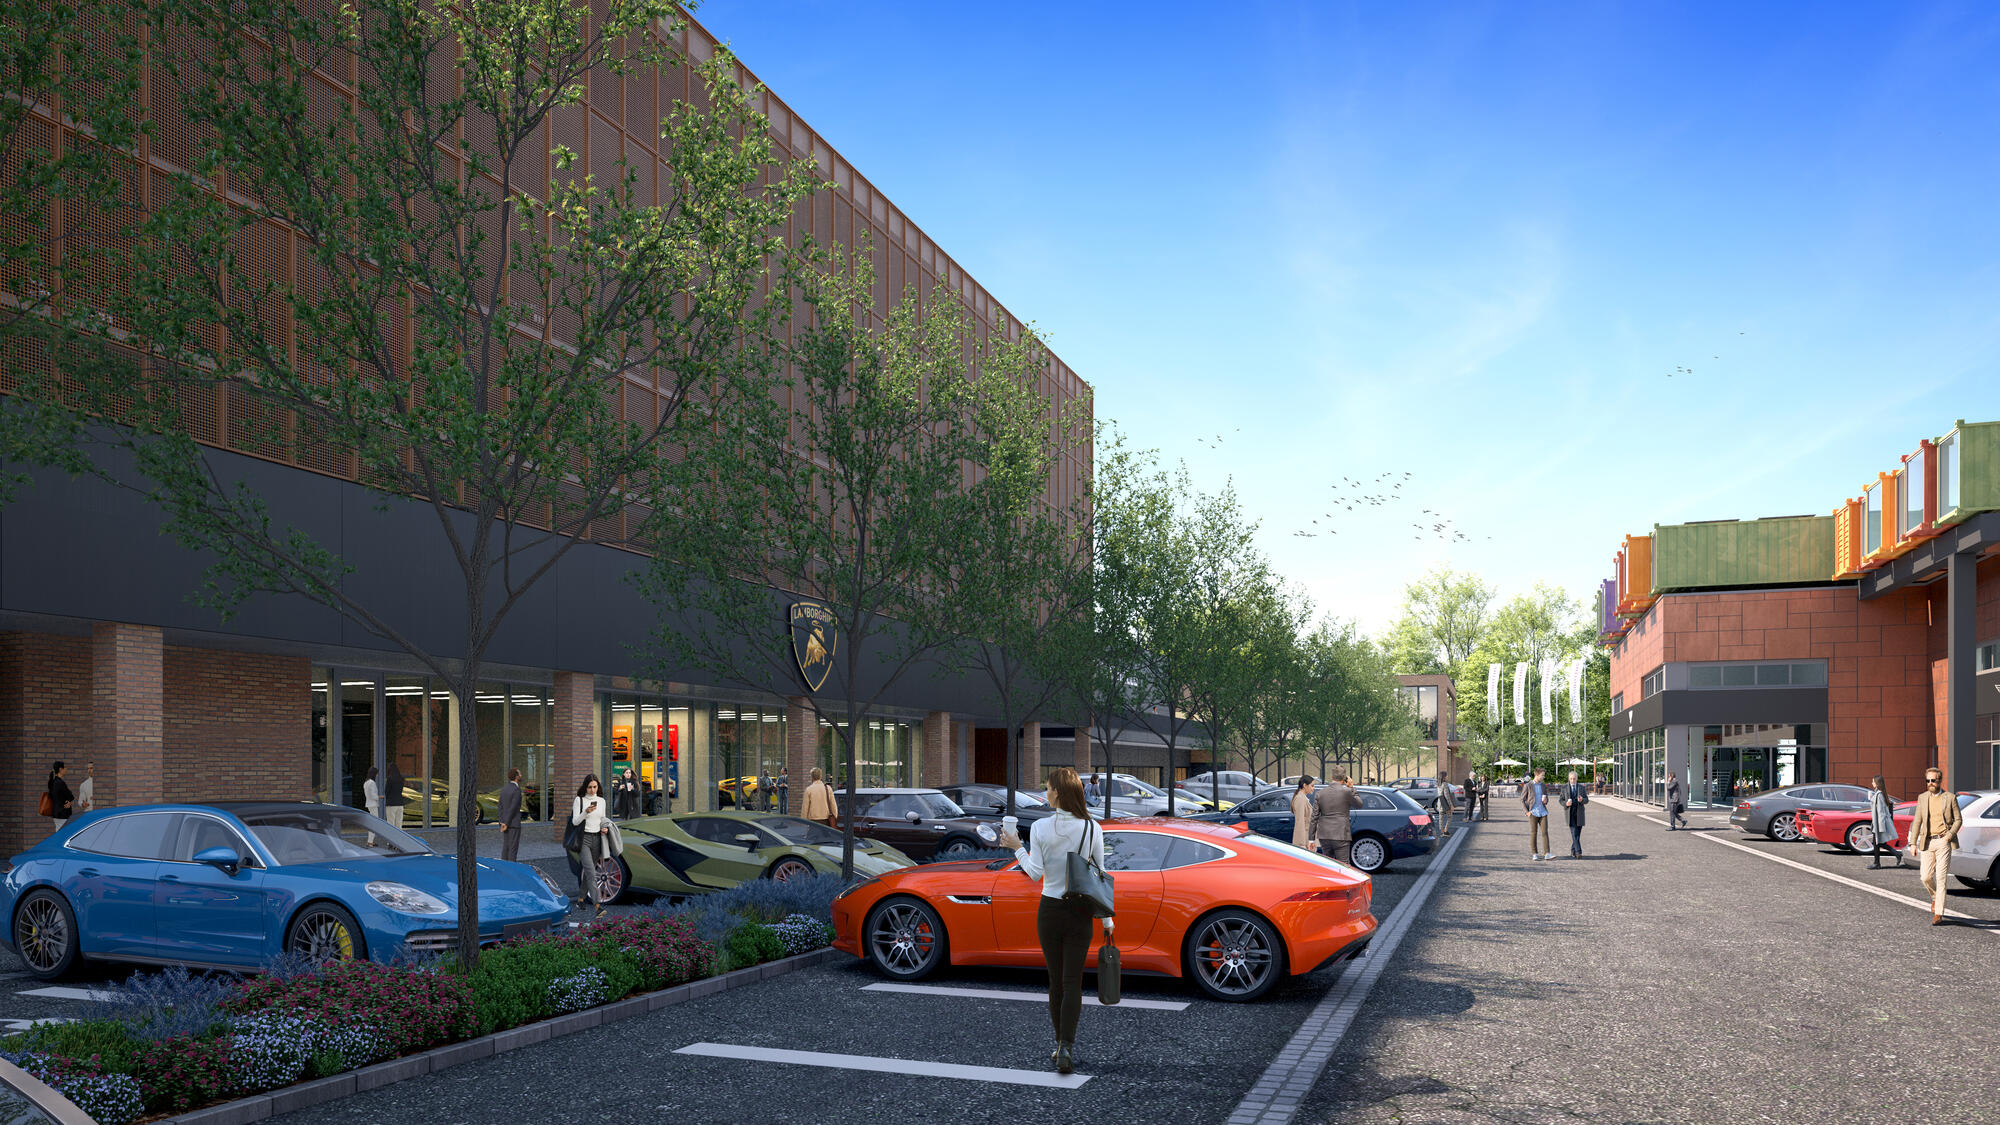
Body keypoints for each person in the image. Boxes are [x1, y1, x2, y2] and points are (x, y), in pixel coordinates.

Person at [996, 767, 1105, 1077]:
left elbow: (1033, 873)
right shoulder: (1092, 827)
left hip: (1050, 910)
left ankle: (1059, 1044)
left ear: (1058, 793)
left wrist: (1015, 846)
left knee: (1055, 982)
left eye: (1048, 788)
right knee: (1073, 983)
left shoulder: (1042, 827)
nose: (1045, 792)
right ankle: (1068, 1047)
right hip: (1081, 911)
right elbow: (1100, 873)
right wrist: (1107, 919)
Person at [1908, 767, 1960, 925]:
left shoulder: (1950, 797)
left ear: (1939, 781)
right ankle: (1935, 897)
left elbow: (1958, 820)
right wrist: (1912, 843)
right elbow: (1917, 821)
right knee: (1925, 877)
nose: (1930, 783)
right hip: (1927, 842)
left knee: (1941, 878)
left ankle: (1939, 913)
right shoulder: (1922, 798)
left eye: (1933, 780)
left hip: (1943, 841)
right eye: (1928, 781)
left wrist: (1949, 836)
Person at [571, 774, 612, 918]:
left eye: (595, 787)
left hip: (597, 839)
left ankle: (581, 899)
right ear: (585, 787)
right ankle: (597, 906)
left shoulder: (601, 801)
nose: (592, 790)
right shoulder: (579, 800)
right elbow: (575, 822)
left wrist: (605, 827)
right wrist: (585, 812)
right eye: (590, 787)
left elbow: (603, 819)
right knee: (591, 873)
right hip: (584, 839)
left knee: (589, 872)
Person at [1310, 769, 1359, 864]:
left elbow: (1314, 817)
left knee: (1329, 865)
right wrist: (1352, 787)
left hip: (1324, 835)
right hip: (1341, 834)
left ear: (1331, 778)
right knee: (1343, 865)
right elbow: (1359, 804)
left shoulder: (1320, 793)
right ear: (1344, 779)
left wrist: (1311, 839)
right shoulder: (1347, 791)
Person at [1866, 774, 1899, 870]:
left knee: (1878, 843)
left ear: (1877, 783)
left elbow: (1881, 812)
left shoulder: (1879, 795)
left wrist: (1880, 827)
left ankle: (1877, 863)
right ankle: (1896, 854)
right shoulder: (1878, 794)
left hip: (1879, 823)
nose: (1872, 783)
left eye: (1873, 781)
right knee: (1878, 843)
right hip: (1877, 823)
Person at [1522, 769, 1552, 860]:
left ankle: (1547, 853)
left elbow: (1546, 797)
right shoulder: (1528, 785)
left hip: (1543, 812)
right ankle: (1534, 853)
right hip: (1533, 812)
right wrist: (1526, 812)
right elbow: (1522, 799)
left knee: (1545, 833)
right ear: (1537, 775)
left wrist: (1546, 800)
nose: (1543, 777)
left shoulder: (1543, 785)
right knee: (1533, 833)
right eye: (1542, 775)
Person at [497, 768, 524, 862]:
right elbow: (513, 808)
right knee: (513, 849)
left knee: (506, 847)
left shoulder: (504, 789)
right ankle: (511, 870)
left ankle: (504, 868)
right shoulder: (516, 790)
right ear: (516, 776)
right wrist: (507, 823)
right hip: (513, 824)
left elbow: (500, 806)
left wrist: (502, 822)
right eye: (520, 774)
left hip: (505, 823)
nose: (521, 775)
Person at [1561, 770, 1589, 857]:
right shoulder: (1564, 787)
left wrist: (1582, 800)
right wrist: (1565, 803)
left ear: (1577, 779)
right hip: (1569, 813)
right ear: (1569, 779)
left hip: (1579, 812)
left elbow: (1586, 800)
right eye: (1571, 779)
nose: (1572, 780)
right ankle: (1578, 852)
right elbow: (1560, 800)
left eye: (1574, 779)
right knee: (1574, 832)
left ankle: (1573, 850)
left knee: (1577, 833)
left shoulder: (1581, 788)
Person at [45, 762, 74, 832]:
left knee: (59, 833)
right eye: (65, 767)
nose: (66, 769)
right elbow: (71, 796)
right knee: (64, 834)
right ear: (61, 769)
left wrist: (68, 801)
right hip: (63, 814)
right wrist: (69, 800)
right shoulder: (60, 783)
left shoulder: (54, 782)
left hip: (56, 813)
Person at [1290, 776, 1316, 849]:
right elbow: (1300, 822)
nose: (1313, 788)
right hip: (1305, 840)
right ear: (1305, 785)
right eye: (1312, 786)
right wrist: (1302, 844)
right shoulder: (1300, 799)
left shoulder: (1302, 797)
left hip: (1308, 839)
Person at [385, 760, 407, 828]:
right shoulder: (401, 778)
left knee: (390, 823)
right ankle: (399, 838)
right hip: (400, 803)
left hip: (391, 803)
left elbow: (387, 791)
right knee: (399, 823)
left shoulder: (390, 779)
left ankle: (391, 837)